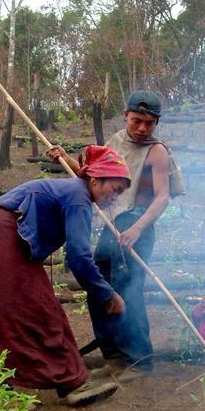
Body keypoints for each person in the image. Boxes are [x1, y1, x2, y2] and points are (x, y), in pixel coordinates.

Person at [0, 145, 131, 407]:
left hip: (0, 236)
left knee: (10, 311)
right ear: (95, 179)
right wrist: (107, 293)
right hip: (5, 237)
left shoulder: (76, 192)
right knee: (43, 312)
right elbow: (79, 258)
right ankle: (72, 383)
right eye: (115, 190)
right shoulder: (78, 197)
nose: (115, 198)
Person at [49, 90, 184, 380]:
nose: (142, 128)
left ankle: (138, 360)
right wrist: (65, 158)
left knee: (127, 289)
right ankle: (113, 355)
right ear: (126, 116)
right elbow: (92, 176)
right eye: (137, 121)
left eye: (149, 123)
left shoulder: (156, 151)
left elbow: (162, 197)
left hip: (137, 226)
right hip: (114, 227)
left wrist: (137, 228)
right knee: (99, 285)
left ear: (156, 122)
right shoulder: (116, 143)